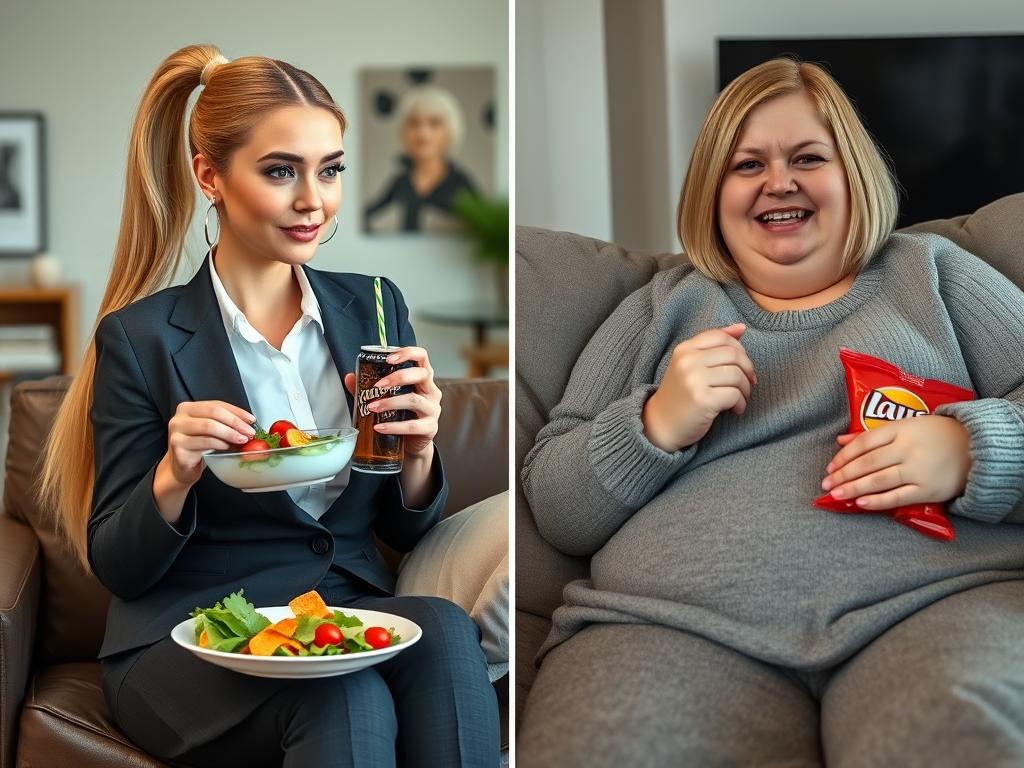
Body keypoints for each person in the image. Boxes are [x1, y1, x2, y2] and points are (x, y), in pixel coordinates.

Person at [518, 57, 1024, 766]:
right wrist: (654, 424)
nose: (778, 181)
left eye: (807, 158)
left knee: (962, 738)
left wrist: (976, 448)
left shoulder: (931, 272)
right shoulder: (664, 308)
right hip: (670, 628)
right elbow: (557, 507)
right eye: (746, 164)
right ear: (711, 195)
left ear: (853, 176)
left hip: (936, 605)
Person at [37, 44, 498, 767]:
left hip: (332, 610)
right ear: (210, 176)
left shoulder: (376, 310)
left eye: (331, 169)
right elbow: (120, 567)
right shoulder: (143, 338)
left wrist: (419, 452)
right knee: (346, 695)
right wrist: (175, 474)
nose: (314, 199)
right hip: (187, 634)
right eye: (282, 171)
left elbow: (403, 531)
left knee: (441, 629)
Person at [364, 84, 480, 233]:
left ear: (449, 132)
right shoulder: (400, 183)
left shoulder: (461, 184)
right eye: (414, 123)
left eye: (434, 123)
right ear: (403, 132)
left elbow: (487, 229)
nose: (423, 133)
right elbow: (367, 216)